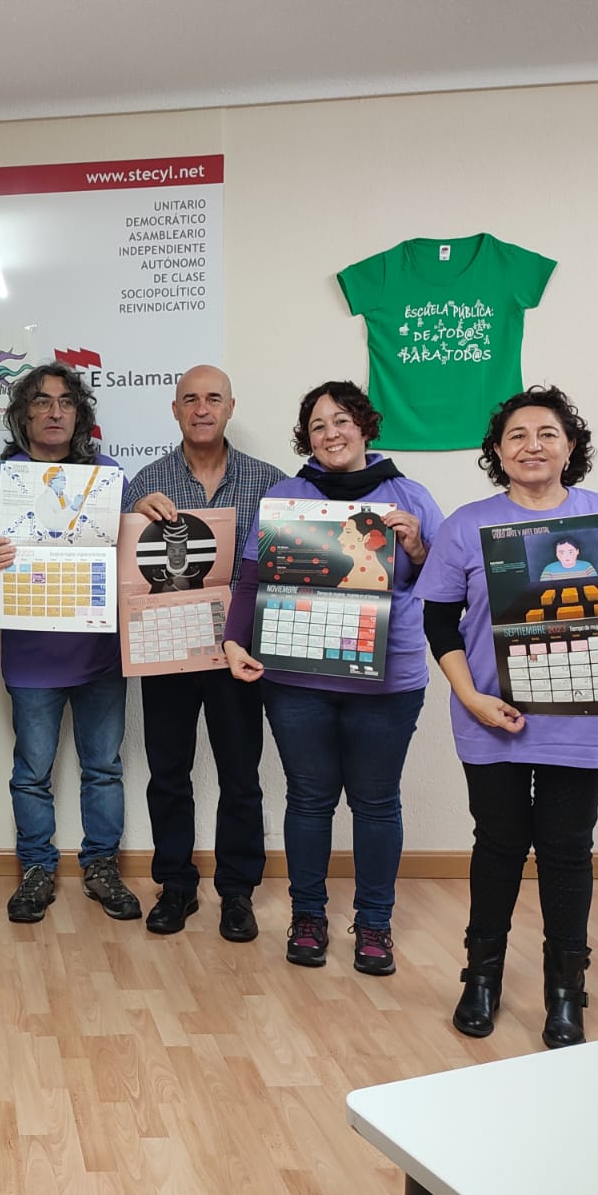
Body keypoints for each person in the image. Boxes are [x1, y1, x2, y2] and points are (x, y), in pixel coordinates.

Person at [415, 386, 598, 1047]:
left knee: (568, 851)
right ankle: (480, 978)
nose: (531, 446)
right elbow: (437, 620)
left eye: (546, 434)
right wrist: (469, 696)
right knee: (499, 844)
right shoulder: (465, 525)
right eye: (516, 436)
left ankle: (566, 991)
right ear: (498, 451)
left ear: (570, 447)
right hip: (491, 715)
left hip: (584, 718)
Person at [223, 382, 443, 975]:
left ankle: (374, 925)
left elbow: (449, 588)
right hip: (298, 677)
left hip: (388, 681)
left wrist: (417, 546)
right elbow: (250, 580)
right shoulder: (286, 497)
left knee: (375, 804)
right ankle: (309, 917)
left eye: (341, 420)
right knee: (309, 800)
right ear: (307, 438)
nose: (331, 434)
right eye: (318, 426)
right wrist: (234, 640)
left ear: (365, 426)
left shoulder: (410, 495)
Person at [0, 363, 139, 924]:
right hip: (32, 657)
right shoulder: (1, 482)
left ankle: (102, 867)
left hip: (101, 655)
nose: (55, 411)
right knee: (31, 772)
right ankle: (37, 869)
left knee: (104, 768)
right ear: (23, 414)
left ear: (80, 414)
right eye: (41, 401)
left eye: (66, 402)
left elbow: (134, 560)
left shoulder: (108, 476)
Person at [123, 364, 285, 940]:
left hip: (239, 655)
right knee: (169, 772)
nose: (201, 408)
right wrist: (132, 524)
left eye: (212, 398)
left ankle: (237, 892)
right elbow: (123, 574)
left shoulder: (270, 482)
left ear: (230, 407)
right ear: (174, 409)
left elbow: (285, 570)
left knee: (241, 774)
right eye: (189, 398)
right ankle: (176, 885)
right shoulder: (143, 484)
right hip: (166, 650)